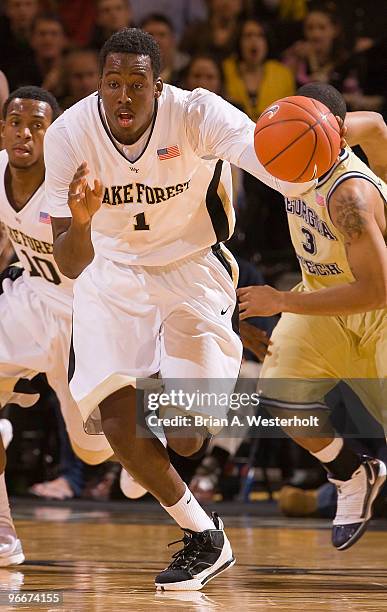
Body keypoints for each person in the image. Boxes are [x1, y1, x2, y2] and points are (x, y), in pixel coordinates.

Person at [44, 28, 379, 589]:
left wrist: (332, 169)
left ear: (159, 82)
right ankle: (205, 537)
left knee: (187, 436)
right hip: (112, 274)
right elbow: (72, 263)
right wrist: (80, 222)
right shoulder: (69, 135)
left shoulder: (198, 114)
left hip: (193, 270)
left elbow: (279, 164)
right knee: (120, 422)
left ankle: (150, 438)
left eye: (136, 84)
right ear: (99, 84)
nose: (123, 97)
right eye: (112, 84)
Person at [237, 82, 387, 551]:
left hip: (378, 307)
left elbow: (375, 289)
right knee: (281, 395)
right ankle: (352, 473)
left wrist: (280, 302)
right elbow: (378, 125)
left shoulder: (349, 199)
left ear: (330, 138)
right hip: (324, 296)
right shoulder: (295, 139)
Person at [0, 86, 114, 565]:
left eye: (37, 125)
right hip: (27, 302)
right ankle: (4, 534)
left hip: (82, 316)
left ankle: (144, 435)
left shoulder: (76, 180)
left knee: (93, 453)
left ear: (56, 132)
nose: (24, 133)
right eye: (15, 121)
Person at [223, 17, 295, 122]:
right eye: (248, 36)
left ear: (266, 42)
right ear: (239, 42)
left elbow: (289, 113)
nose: (254, 40)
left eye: (260, 36)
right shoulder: (225, 69)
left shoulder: (283, 73)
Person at [141, 14, 189, 86]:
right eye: (150, 34)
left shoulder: (187, 67)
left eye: (162, 35)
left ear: (173, 40)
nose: (156, 40)